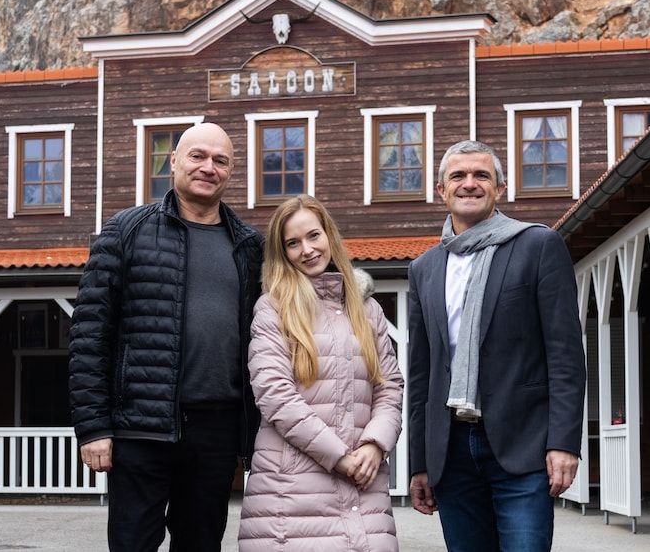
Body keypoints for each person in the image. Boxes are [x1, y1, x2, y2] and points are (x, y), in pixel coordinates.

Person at [68, 122, 264, 551]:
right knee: (133, 544)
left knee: (201, 544)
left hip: (216, 431)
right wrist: (93, 427)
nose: (208, 167)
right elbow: (89, 335)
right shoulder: (126, 231)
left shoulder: (251, 246)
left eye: (220, 160)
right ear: (173, 161)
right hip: (140, 429)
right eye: (197, 156)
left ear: (231, 172)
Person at [407, 140, 586, 551]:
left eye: (481, 175)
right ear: (442, 190)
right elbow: (422, 373)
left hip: (523, 447)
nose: (469, 184)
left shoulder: (537, 246)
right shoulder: (425, 268)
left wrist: (563, 443)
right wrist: (420, 463)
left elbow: (565, 357)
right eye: (458, 176)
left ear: (498, 189)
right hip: (450, 454)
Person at [238, 195, 404, 551]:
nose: (307, 250)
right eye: (293, 243)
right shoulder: (273, 309)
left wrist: (375, 445)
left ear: (329, 235)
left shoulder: (366, 309)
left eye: (313, 236)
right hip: (291, 493)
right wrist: (340, 456)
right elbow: (275, 396)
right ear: (283, 253)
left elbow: (389, 387)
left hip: (364, 482)